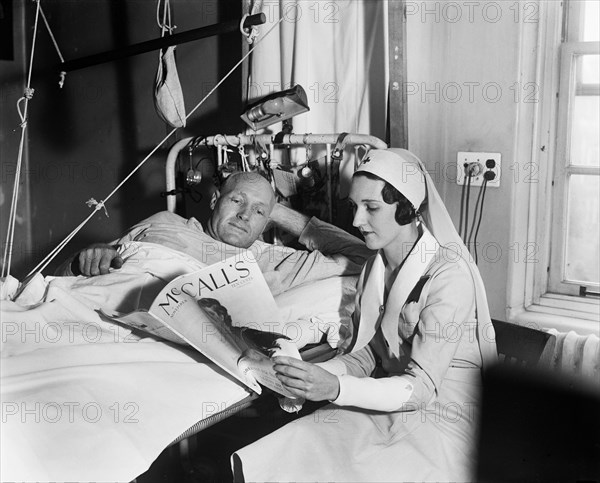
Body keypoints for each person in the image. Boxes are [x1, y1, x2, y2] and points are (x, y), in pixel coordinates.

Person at [231, 149, 498, 482]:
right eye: (354, 207)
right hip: (390, 402)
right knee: (293, 445)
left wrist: (334, 389)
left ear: (406, 209)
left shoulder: (449, 275)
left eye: (371, 208)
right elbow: (370, 353)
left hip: (445, 419)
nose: (357, 221)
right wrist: (310, 375)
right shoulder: (376, 265)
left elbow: (421, 389)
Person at [57, 171, 371, 297]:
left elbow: (364, 256)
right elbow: (60, 276)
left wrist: (277, 211)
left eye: (258, 212)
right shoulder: (164, 221)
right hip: (95, 298)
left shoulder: (270, 260)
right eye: (237, 201)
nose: (246, 215)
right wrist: (81, 261)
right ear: (214, 200)